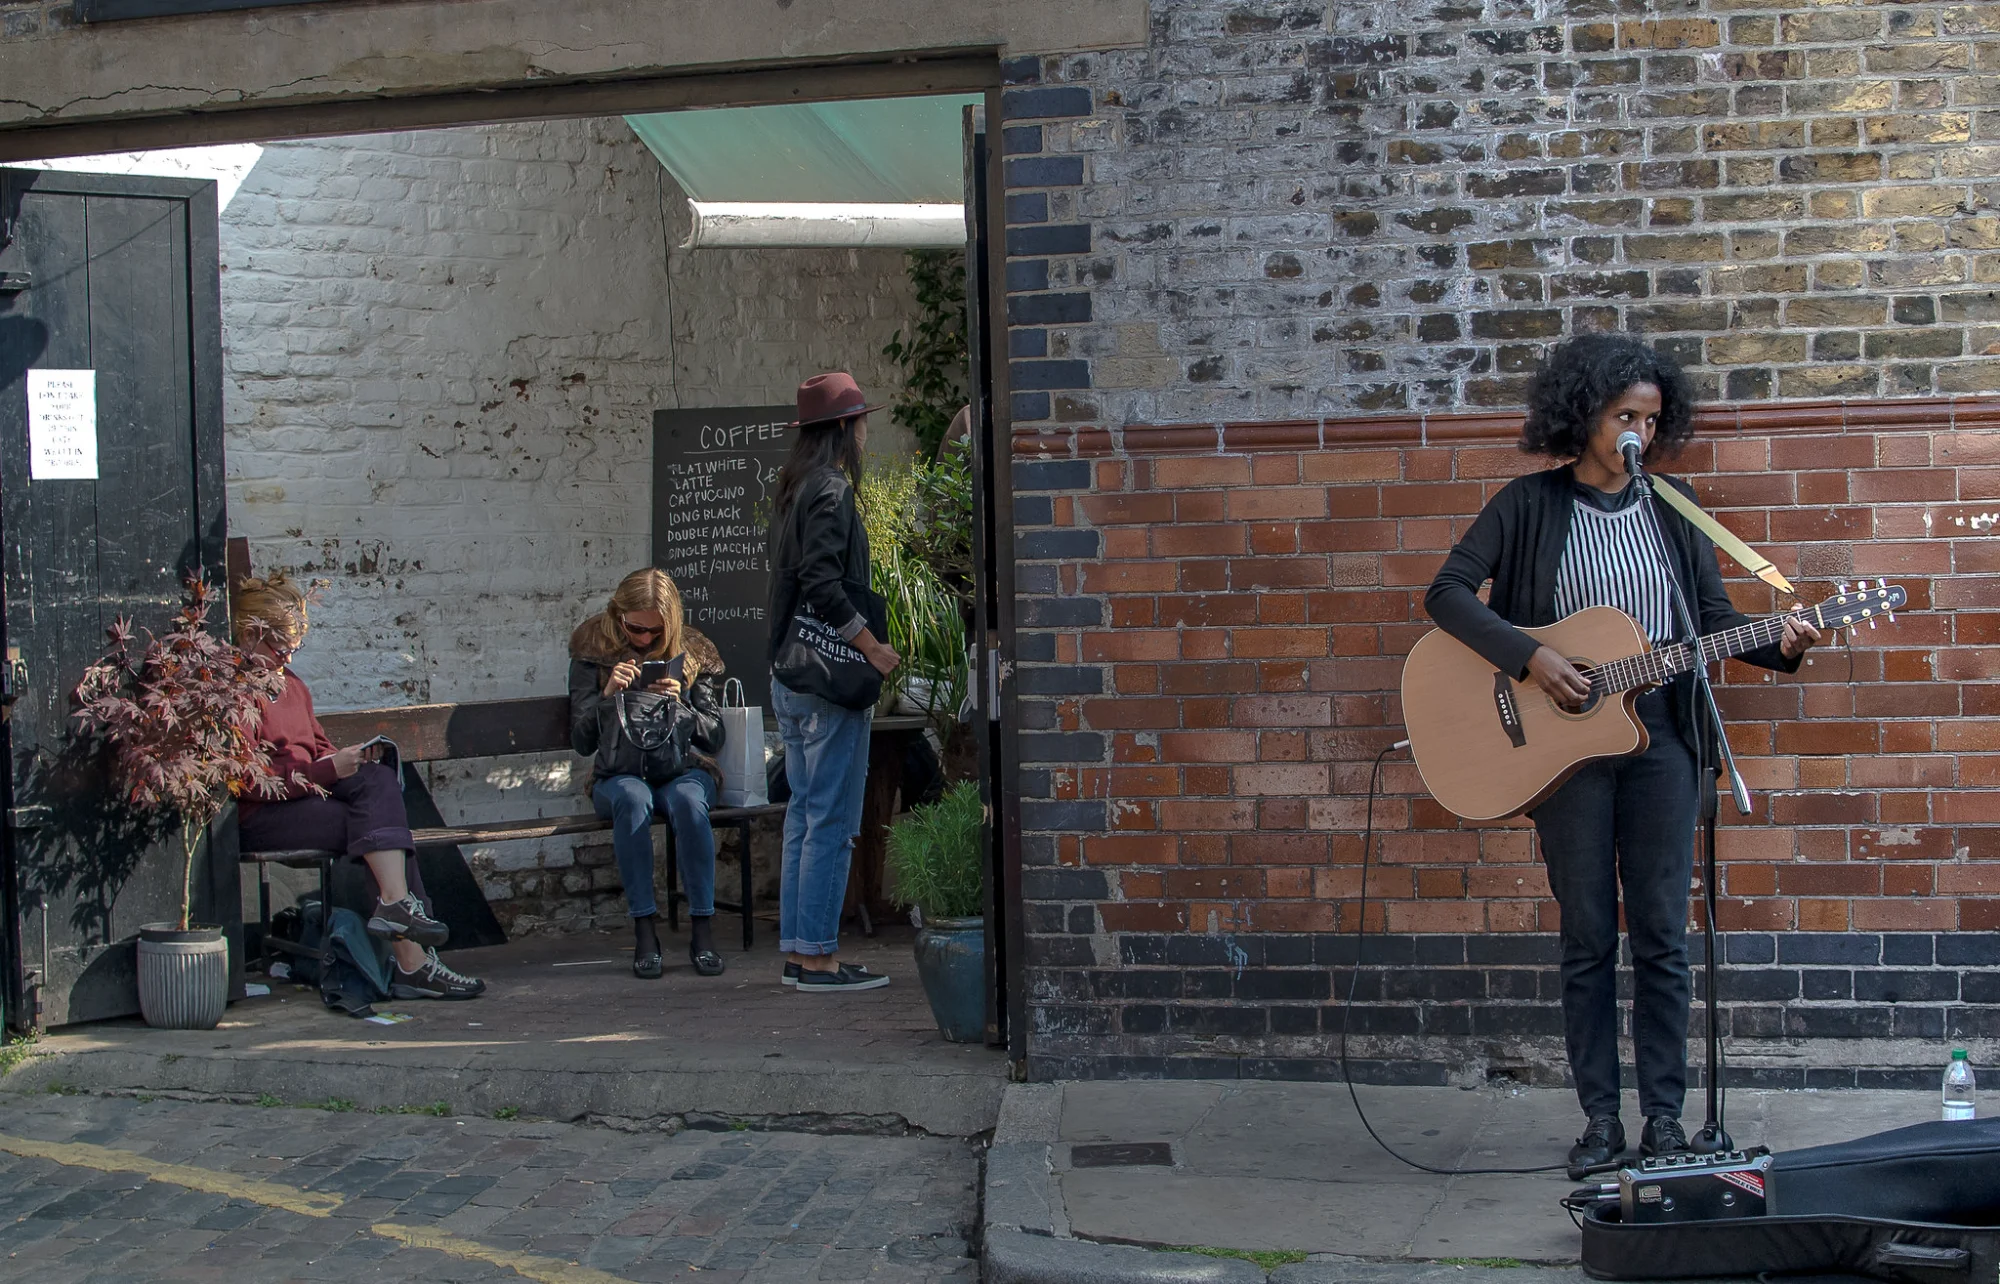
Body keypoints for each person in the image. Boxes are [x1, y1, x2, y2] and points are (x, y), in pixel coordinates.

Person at [1424, 335, 1820, 1170]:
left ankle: (1664, 1120)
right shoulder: (1528, 504)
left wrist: (1781, 642)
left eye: (1650, 418)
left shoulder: (1676, 507)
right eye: (1622, 415)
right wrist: (1530, 657)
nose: (1637, 431)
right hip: (1562, 755)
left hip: (1662, 743)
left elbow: (1710, 622)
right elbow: (1447, 593)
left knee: (1663, 935)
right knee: (1588, 935)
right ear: (1583, 416)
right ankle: (1600, 1121)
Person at [232, 573, 486, 1001]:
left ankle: (396, 907)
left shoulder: (292, 686)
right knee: (375, 830)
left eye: (294, 647)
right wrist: (327, 771)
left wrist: (347, 760)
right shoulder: (236, 693)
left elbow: (318, 748)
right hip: (263, 814)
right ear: (248, 634)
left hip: (308, 799)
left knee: (377, 779)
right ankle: (413, 961)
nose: (287, 656)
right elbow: (246, 781)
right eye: (279, 647)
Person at [766, 372, 900, 993]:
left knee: (804, 817)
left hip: (792, 678)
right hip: (827, 684)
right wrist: (871, 646)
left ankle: (801, 953)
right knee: (831, 822)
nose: (866, 431)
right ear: (845, 426)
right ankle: (819, 960)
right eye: (862, 420)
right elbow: (822, 582)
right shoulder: (832, 489)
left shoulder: (794, 489)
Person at [568, 567, 729, 979]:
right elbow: (581, 741)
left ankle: (702, 930)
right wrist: (608, 695)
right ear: (618, 615)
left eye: (655, 632)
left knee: (688, 801)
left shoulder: (692, 650)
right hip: (618, 772)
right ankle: (644, 931)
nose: (643, 639)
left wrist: (682, 706)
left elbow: (714, 737)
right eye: (635, 629)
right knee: (632, 797)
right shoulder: (593, 647)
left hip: (681, 768)